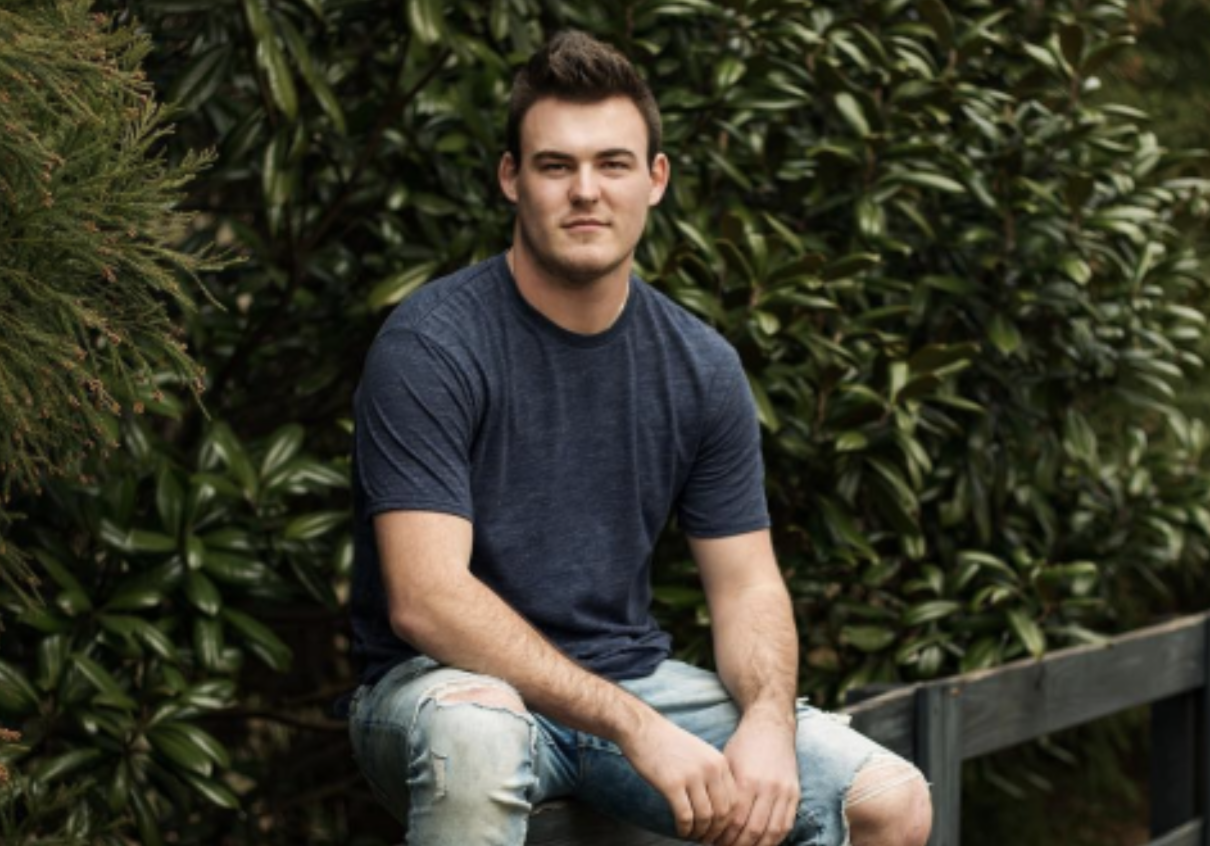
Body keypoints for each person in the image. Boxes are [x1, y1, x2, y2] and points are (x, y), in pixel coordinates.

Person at [345, 30, 932, 846]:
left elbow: (747, 587)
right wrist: (634, 727)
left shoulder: (700, 365)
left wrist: (767, 723)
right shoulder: (433, 345)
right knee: (477, 740)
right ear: (512, 179)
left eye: (612, 164)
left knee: (890, 803)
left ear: (655, 179)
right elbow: (426, 598)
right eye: (556, 166)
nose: (586, 191)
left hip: (631, 682)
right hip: (446, 689)